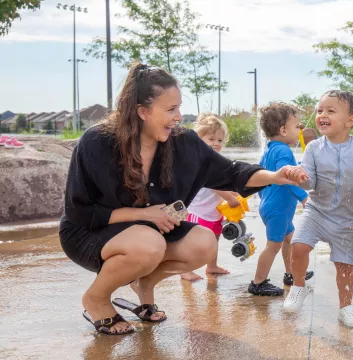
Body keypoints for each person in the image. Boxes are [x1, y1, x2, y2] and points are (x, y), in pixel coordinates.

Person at [59, 63, 306, 336]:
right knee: (149, 243)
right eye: (170, 109)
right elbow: (78, 211)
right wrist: (145, 214)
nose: (179, 116)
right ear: (142, 111)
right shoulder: (97, 142)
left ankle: (144, 284)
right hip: (90, 232)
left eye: (179, 107)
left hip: (148, 233)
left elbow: (231, 172)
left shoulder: (183, 143)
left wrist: (275, 176)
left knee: (203, 244)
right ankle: (96, 298)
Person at [282, 90, 353, 328]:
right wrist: (300, 177)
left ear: (350, 120)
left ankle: (346, 307)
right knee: (299, 246)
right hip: (316, 210)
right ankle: (298, 287)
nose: (322, 115)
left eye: (330, 111)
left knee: (345, 265)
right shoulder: (313, 148)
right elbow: (310, 181)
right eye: (320, 110)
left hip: (345, 217)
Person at [248, 103, 314, 296]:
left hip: (273, 206)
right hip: (278, 209)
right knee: (273, 245)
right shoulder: (284, 151)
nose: (299, 130)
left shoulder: (270, 150)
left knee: (290, 241)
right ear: (283, 130)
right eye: (296, 127)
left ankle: (291, 273)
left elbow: (260, 176)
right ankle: (258, 282)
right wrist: (304, 197)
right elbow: (286, 178)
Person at [179, 114, 239, 281]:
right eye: (211, 139)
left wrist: (233, 193)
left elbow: (223, 182)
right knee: (194, 243)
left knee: (214, 239)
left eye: (220, 140)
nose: (216, 143)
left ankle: (211, 266)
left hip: (214, 211)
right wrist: (230, 198)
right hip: (199, 212)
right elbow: (213, 184)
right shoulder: (202, 160)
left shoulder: (217, 160)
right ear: (199, 139)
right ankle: (186, 269)